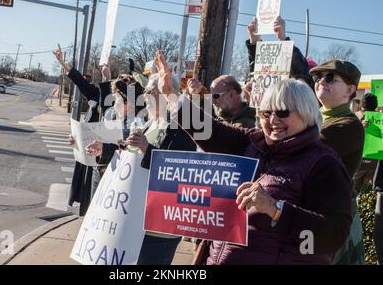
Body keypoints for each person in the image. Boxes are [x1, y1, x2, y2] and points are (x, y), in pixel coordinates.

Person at [157, 50, 352, 264]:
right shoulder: (254, 142)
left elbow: (334, 236)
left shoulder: (323, 162)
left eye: (283, 112)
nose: (273, 120)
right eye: (266, 113)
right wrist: (170, 95)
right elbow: (209, 131)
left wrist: (276, 209)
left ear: (306, 112)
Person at [123, 74, 197, 265]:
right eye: (145, 91)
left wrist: (147, 149)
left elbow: (178, 171)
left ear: (167, 94)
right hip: (139, 218)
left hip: (160, 227)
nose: (145, 96)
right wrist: (109, 149)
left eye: (150, 91)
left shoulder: (181, 127)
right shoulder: (151, 123)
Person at [309, 60, 365, 265]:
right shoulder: (312, 118)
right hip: (314, 213)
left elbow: (304, 148)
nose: (321, 81)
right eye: (318, 77)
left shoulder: (349, 126)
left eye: (330, 77)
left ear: (350, 90)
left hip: (332, 218)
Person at [53, 45, 113, 216]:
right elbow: (79, 80)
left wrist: (107, 77)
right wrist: (63, 62)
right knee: (84, 194)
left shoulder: (112, 104)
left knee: (91, 194)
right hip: (85, 153)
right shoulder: (94, 94)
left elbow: (106, 102)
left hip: (98, 156)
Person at [187, 75, 256, 128]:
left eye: (215, 96)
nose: (213, 101)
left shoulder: (244, 125)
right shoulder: (222, 111)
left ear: (231, 94)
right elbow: (198, 113)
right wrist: (194, 92)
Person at [353, 93, 379, 193]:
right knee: (365, 192)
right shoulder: (355, 117)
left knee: (360, 192)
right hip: (365, 160)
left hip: (367, 160)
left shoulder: (355, 116)